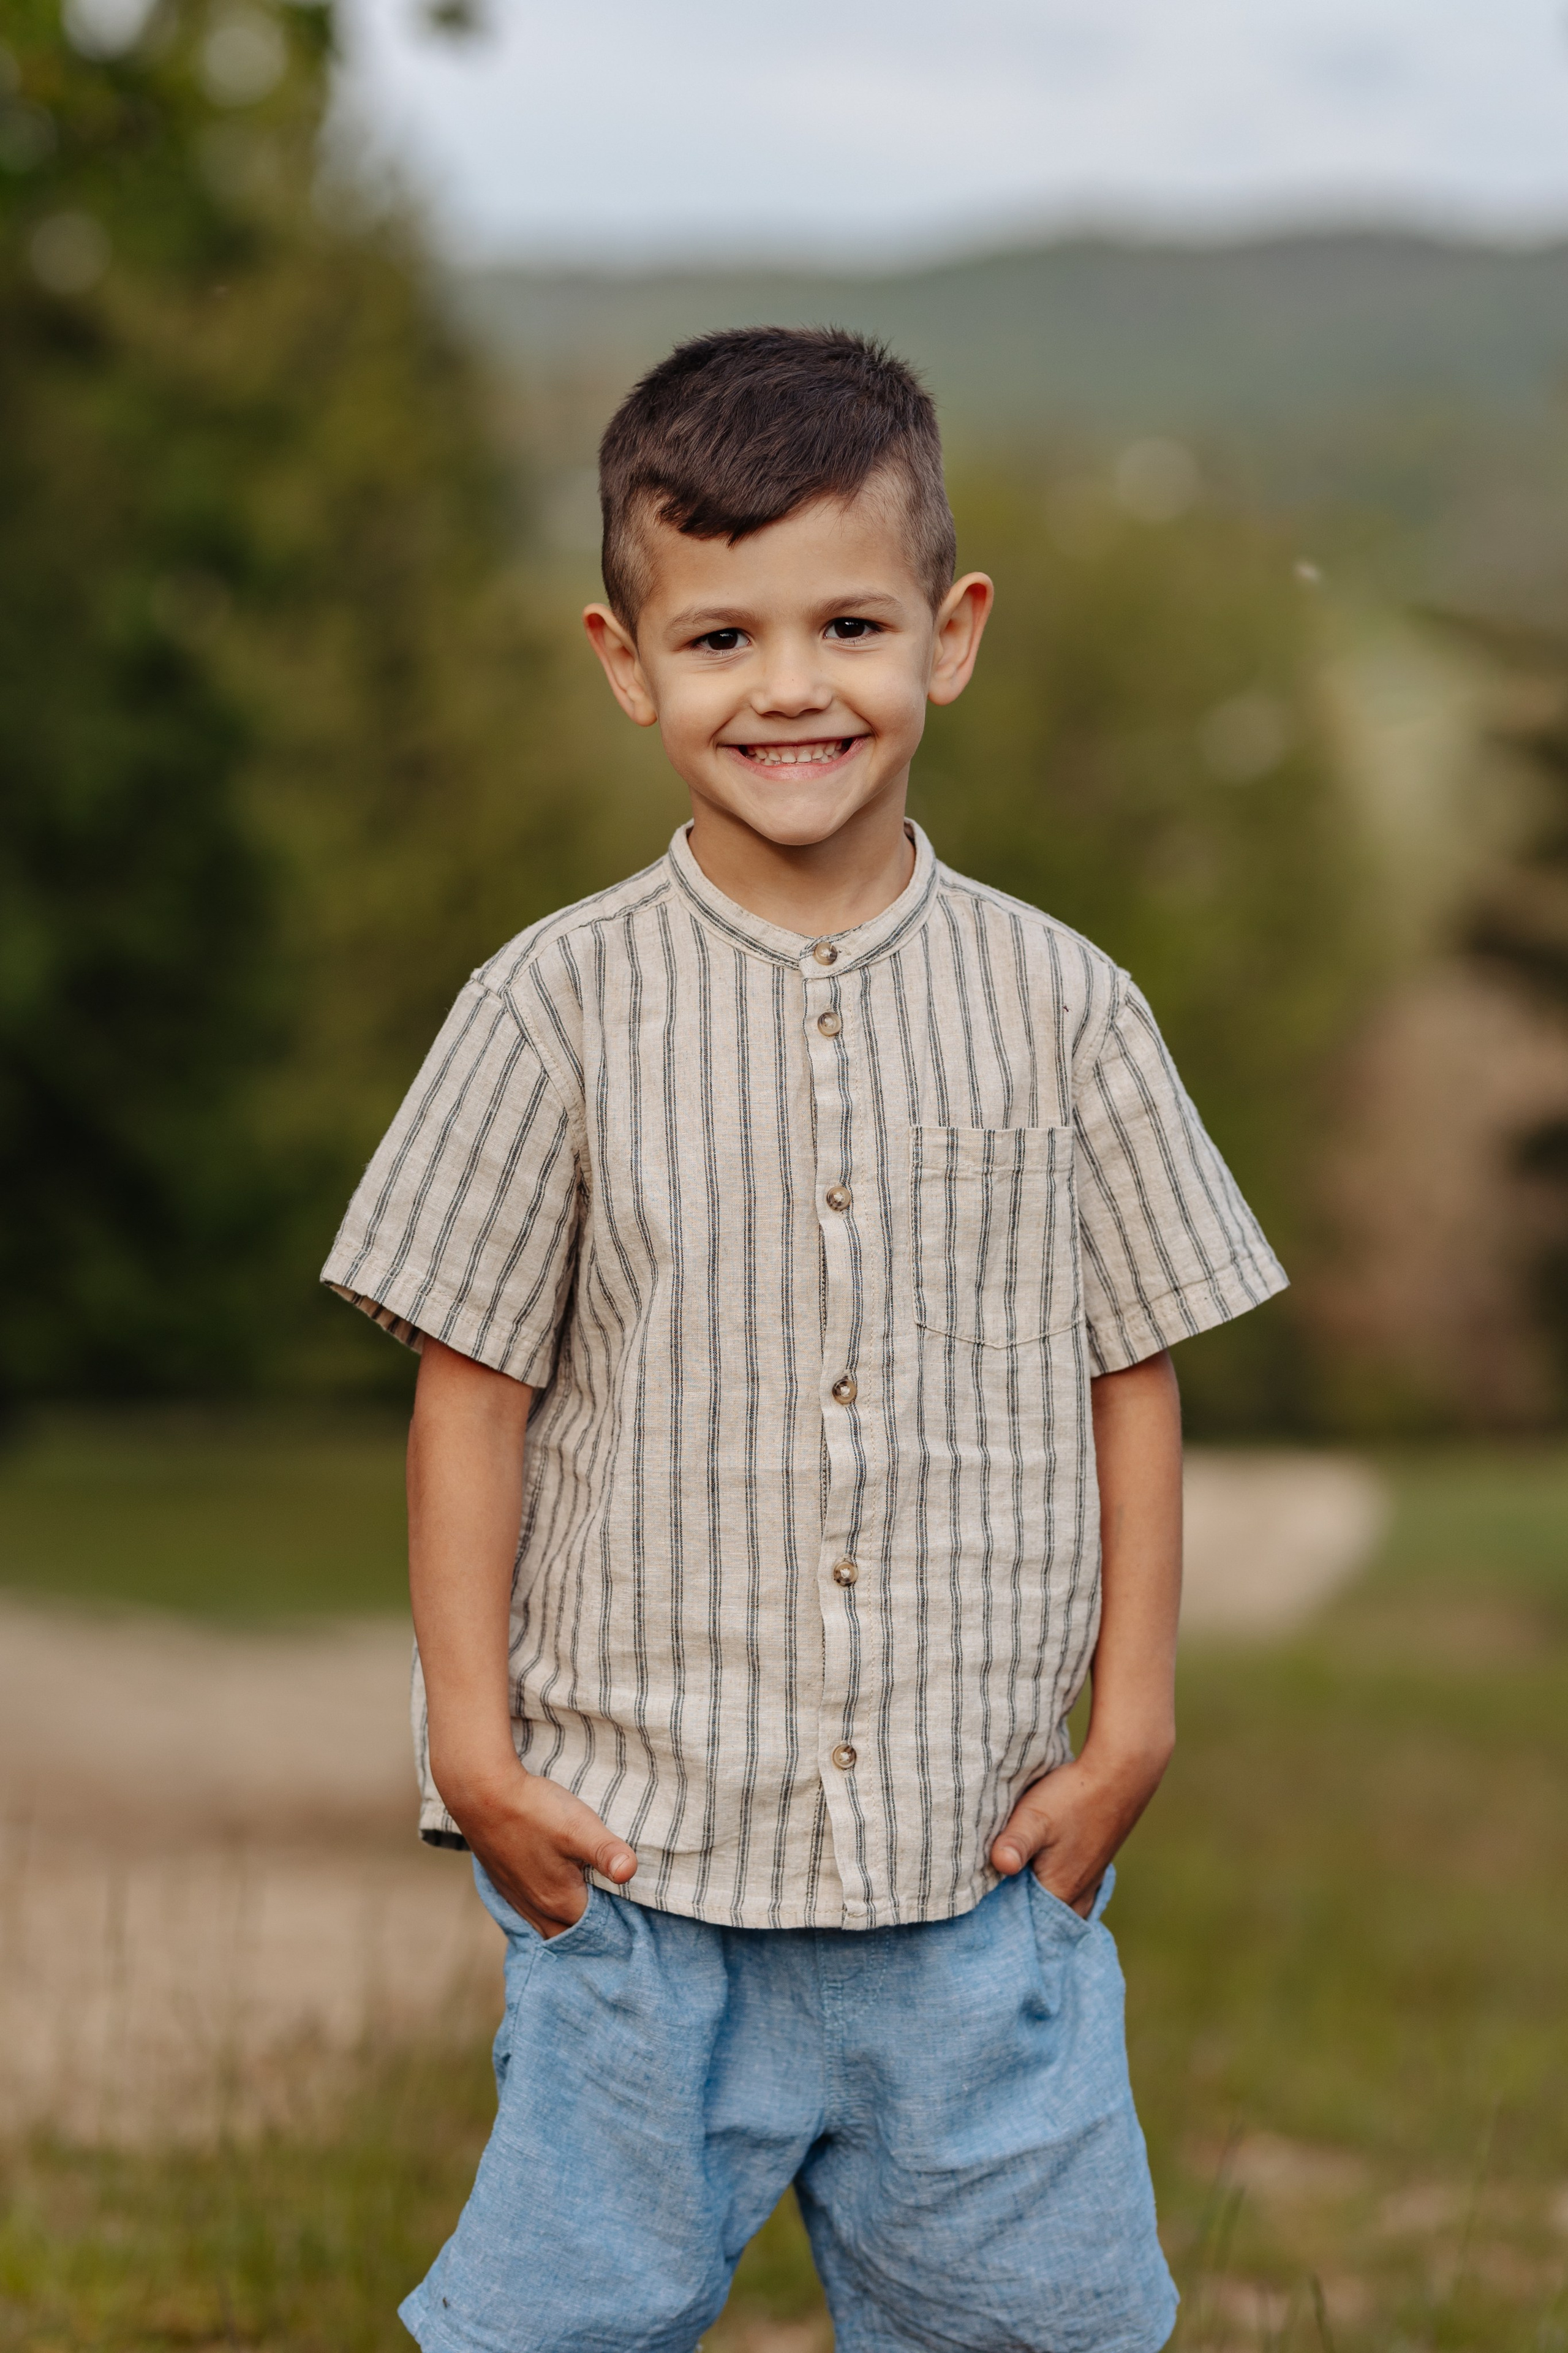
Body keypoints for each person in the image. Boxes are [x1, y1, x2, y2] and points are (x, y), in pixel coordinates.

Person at [323, 326, 1287, 2353]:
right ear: (623, 656)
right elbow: (469, 1388)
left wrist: (1134, 1724)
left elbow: (1139, 1366)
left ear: (953, 633)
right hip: (640, 1874)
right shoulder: (549, 1010)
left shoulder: (1067, 1005)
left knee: (1038, 2333)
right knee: (549, 2330)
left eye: (849, 621)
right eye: (720, 636)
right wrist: (472, 1749)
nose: (788, 688)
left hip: (977, 1875)